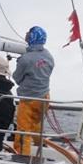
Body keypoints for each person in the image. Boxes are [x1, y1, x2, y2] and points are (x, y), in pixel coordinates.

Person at [12, 26, 55, 155]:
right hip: (44, 98)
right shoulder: (49, 56)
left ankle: (22, 157)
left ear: (31, 37)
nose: (26, 34)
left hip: (28, 100)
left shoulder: (25, 59)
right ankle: (41, 147)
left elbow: (17, 78)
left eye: (28, 33)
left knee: (23, 132)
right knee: (36, 125)